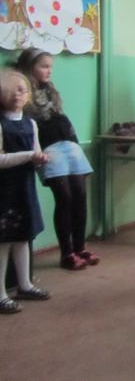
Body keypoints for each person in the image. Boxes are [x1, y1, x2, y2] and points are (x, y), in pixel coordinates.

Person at [16, 48, 97, 270]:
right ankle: (67, 253)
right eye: (44, 66)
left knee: (80, 194)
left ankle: (80, 247)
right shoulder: (22, 92)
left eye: (50, 66)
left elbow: (58, 115)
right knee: (64, 197)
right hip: (48, 148)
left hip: (69, 143)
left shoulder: (50, 89)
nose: (49, 70)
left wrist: (73, 141)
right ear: (29, 68)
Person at [0, 71, 51, 314]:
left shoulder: (30, 123)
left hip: (25, 187)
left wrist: (41, 161)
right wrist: (30, 156)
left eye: (22, 90)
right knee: (3, 241)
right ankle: (1, 294)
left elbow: (36, 152)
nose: (18, 94)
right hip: (5, 190)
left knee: (23, 237)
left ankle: (25, 285)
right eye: (11, 90)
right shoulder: (1, 124)